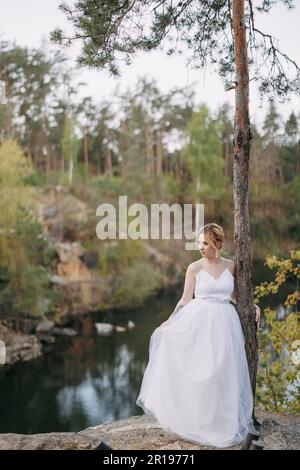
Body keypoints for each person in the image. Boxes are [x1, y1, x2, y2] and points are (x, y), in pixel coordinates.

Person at [136, 223, 261, 448]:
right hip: (200, 322)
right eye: (199, 243)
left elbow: (234, 296)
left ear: (218, 244)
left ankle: (220, 421)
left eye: (206, 243)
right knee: (203, 372)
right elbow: (185, 299)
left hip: (225, 324)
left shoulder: (232, 266)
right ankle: (198, 422)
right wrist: (171, 320)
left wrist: (254, 307)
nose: (201, 247)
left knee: (222, 371)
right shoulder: (194, 268)